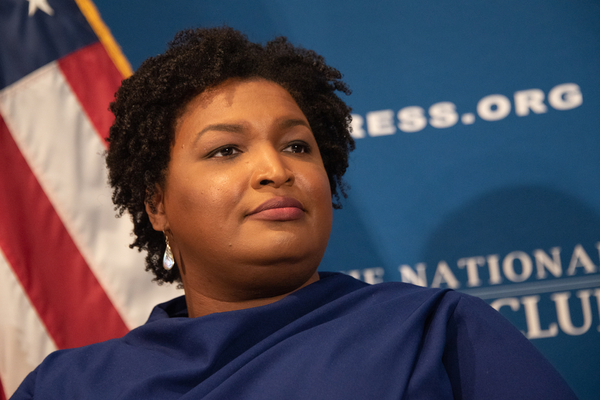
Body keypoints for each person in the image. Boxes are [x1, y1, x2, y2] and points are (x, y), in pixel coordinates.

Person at [11, 27, 577, 399]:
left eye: (298, 146)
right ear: (157, 204)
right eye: (226, 150)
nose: (275, 169)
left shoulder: (436, 332)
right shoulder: (67, 388)